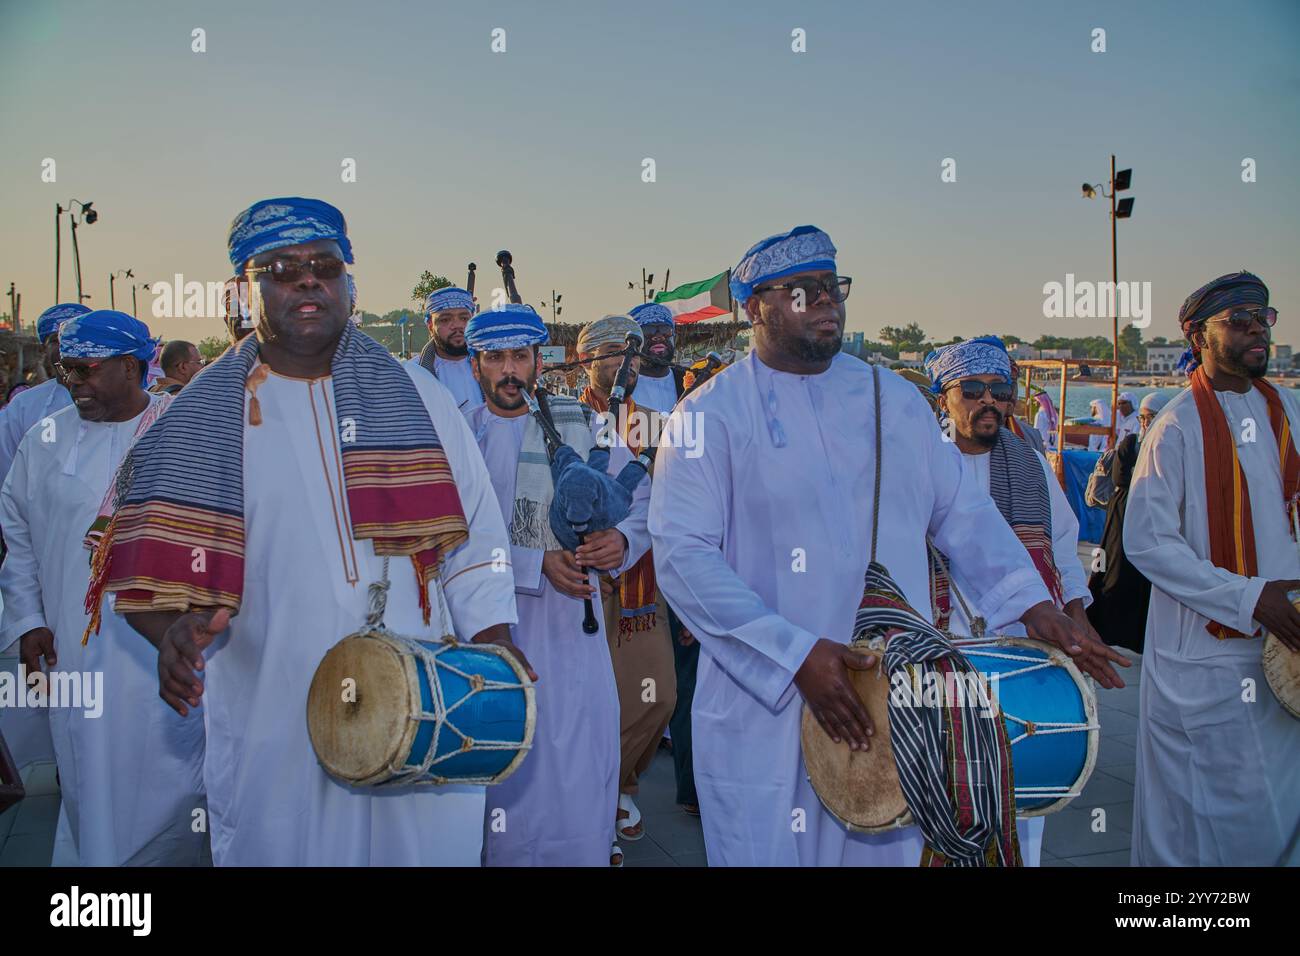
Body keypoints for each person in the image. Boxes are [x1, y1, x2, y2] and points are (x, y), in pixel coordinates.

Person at [649, 225, 1127, 866]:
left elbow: (964, 512)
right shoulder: (707, 417)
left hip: (890, 696)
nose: (825, 302)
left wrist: (1031, 601)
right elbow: (684, 557)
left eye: (832, 287)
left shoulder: (892, 399)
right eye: (802, 291)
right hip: (762, 704)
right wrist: (793, 656)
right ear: (753, 307)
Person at [94, 197, 525, 866]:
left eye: (324, 265)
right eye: (279, 268)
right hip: (273, 713)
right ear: (247, 288)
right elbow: (150, 572)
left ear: (349, 282)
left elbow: (478, 537)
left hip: (421, 708)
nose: (306, 280)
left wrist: (494, 643)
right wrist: (169, 635)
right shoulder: (197, 418)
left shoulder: (416, 394)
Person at [0, 309, 205, 865]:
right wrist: (27, 620)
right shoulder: (43, 440)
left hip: (165, 649)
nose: (74, 383)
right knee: (88, 776)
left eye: (87, 370)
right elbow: (16, 536)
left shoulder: (185, 429)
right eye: (67, 370)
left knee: (174, 778)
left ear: (133, 366)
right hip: (75, 645)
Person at [1125, 271, 1300, 866]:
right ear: (1200, 335)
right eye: (1240, 319)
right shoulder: (1176, 425)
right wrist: (1252, 598)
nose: (1258, 328)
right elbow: (1148, 543)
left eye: (1264, 316)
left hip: (1287, 651)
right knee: (1203, 825)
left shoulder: (1290, 411)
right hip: (1207, 662)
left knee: (1281, 815)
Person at [465, 304, 646, 866]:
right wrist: (534, 562)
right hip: (495, 633)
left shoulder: (580, 425)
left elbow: (640, 500)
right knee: (504, 768)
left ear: (538, 362)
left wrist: (620, 542)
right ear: (476, 366)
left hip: (575, 633)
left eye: (521, 356)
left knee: (578, 761)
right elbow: (454, 538)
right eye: (496, 358)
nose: (510, 370)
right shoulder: (460, 434)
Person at [925, 336, 1102, 866]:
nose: (989, 402)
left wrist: (1077, 616)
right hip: (939, 649)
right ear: (943, 400)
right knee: (935, 803)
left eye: (1000, 389)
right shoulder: (922, 467)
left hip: (1022, 650)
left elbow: (1064, 550)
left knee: (1019, 809)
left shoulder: (1031, 466)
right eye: (973, 389)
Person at [576, 314, 678, 847]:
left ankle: (609, 782)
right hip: (574, 582)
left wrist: (626, 540)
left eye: (633, 354)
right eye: (615, 353)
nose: (627, 364)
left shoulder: (659, 423)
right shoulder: (560, 416)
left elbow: (663, 503)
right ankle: (598, 807)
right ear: (588, 359)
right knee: (590, 699)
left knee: (656, 694)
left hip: (638, 577)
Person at [628, 300, 699, 816]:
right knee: (653, 684)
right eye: (649, 329)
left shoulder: (693, 386)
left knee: (689, 675)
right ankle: (621, 780)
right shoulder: (617, 397)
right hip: (635, 553)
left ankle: (693, 789)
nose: (659, 336)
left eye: (666, 329)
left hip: (690, 542)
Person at [1086, 391, 1170, 652]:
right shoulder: (1132, 443)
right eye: (1143, 418)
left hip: (1154, 517)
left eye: (1152, 418)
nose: (1146, 423)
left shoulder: (1169, 444)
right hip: (1124, 514)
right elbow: (1122, 479)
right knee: (1116, 569)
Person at [0, 303, 87, 482]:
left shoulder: (125, 402)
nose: (66, 346)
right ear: (43, 349)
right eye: (56, 340)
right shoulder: (24, 406)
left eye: (74, 337)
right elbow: (7, 473)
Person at [413, 286, 483, 412]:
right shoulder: (414, 373)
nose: (457, 326)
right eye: (445, 320)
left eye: (464, 318)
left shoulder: (493, 366)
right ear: (430, 326)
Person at [1000, 361, 1046, 454]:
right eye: (1002, 385)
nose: (1011, 392)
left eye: (1013, 383)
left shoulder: (1033, 437)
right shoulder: (968, 442)